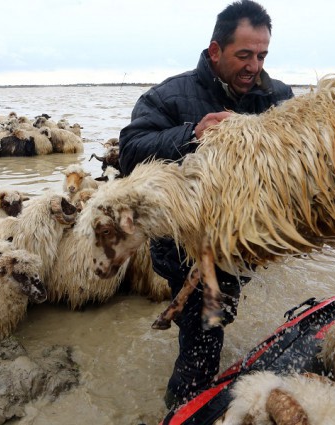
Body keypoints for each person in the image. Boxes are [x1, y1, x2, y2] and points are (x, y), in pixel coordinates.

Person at [118, 0, 294, 409]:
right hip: (180, 244)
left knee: (221, 309)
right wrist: (191, 133)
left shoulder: (277, 96)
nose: (255, 66)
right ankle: (185, 405)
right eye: (244, 55)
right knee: (205, 322)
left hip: (244, 238)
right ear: (215, 50)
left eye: (263, 55)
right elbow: (130, 152)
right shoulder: (168, 97)